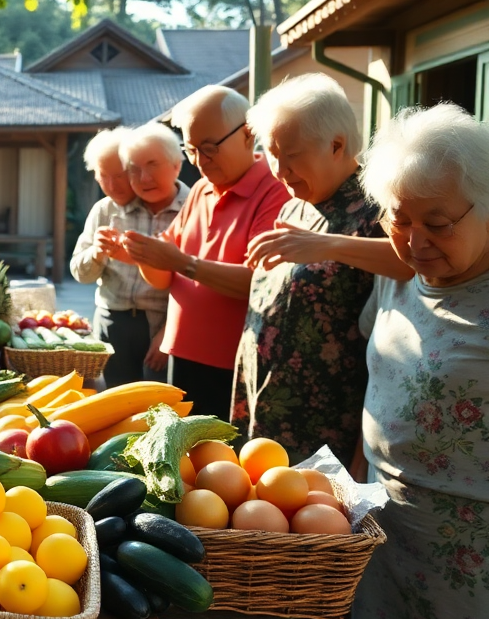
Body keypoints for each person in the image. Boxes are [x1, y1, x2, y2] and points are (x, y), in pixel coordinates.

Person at [350, 104, 489, 619]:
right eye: (398, 219)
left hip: (469, 552)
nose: (413, 241)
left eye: (438, 223)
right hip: (384, 528)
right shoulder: (398, 274)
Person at [230, 75, 388, 468]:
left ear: (336, 145)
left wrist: (328, 244)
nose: (280, 170)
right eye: (272, 154)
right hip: (264, 403)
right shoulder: (294, 206)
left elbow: (410, 261)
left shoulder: (378, 208)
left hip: (324, 423)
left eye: (292, 155)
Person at [117, 86, 290, 421]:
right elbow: (164, 275)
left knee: (222, 464)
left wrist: (181, 262)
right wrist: (142, 254)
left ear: (247, 134)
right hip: (183, 350)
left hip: (234, 359)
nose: (199, 161)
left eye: (209, 149)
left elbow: (260, 282)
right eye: (192, 150)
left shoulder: (273, 189)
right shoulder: (200, 189)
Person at [70, 126, 187, 386]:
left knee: (160, 399)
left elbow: (190, 280)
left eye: (121, 175)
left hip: (161, 321)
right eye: (103, 177)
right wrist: (98, 254)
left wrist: (169, 330)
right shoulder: (105, 210)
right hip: (113, 318)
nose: (112, 185)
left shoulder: (188, 206)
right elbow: (79, 272)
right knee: (117, 397)